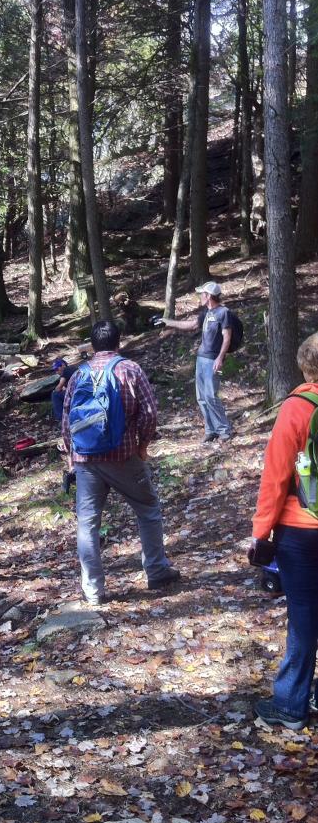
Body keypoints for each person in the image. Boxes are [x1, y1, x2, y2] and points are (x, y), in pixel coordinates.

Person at [62, 320, 180, 606]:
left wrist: (70, 457)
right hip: (124, 457)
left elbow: (66, 421)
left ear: (92, 346)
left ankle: (93, 591)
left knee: (87, 525)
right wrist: (142, 445)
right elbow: (149, 413)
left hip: (86, 461)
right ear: (119, 342)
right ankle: (156, 570)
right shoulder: (129, 369)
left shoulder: (79, 375)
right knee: (148, 510)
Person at [250, 333, 318, 730]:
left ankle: (291, 704)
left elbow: (276, 477)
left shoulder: (296, 409)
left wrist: (261, 533)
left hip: (301, 529)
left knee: (305, 614)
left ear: (304, 367)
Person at [159, 281, 234, 443]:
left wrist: (220, 358)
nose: (200, 297)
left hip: (212, 359)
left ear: (208, 296)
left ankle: (224, 430)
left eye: (202, 294)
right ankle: (211, 430)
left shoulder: (223, 312)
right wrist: (169, 322)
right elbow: (192, 325)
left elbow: (227, 337)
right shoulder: (205, 313)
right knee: (201, 397)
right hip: (201, 359)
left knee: (211, 396)